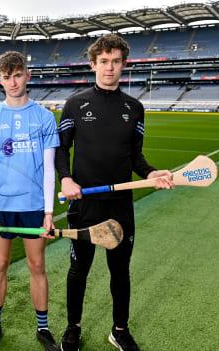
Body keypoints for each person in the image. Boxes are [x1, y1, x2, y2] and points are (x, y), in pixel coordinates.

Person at [55, 34, 174, 351]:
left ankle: (119, 330)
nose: (109, 68)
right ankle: (73, 328)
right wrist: (66, 179)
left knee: (120, 271)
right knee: (78, 269)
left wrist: (152, 173)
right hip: (84, 206)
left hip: (121, 207)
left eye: (116, 61)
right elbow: (61, 150)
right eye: (104, 61)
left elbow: (136, 158)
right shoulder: (75, 104)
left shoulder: (134, 108)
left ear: (124, 65)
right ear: (93, 64)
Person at [0, 51, 60, 351]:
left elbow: (49, 169)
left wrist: (49, 212)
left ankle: (43, 328)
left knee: (37, 266)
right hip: (2, 208)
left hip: (34, 207)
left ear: (27, 75)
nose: (11, 82)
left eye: (16, 75)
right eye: (5, 77)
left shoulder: (44, 117)